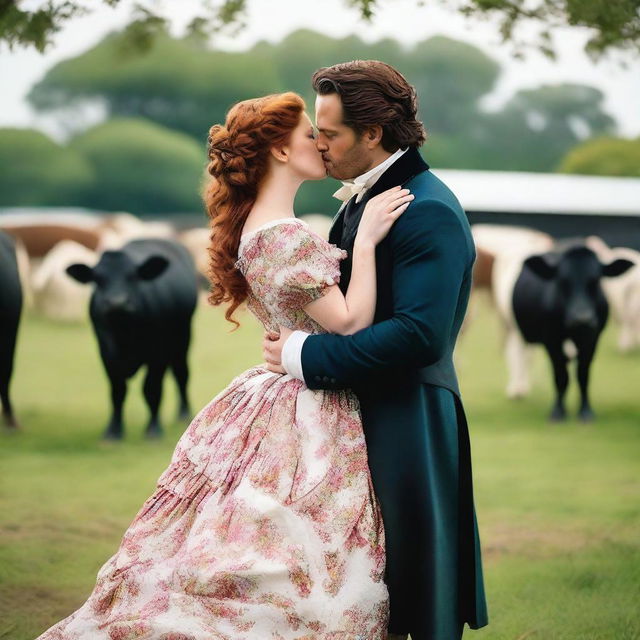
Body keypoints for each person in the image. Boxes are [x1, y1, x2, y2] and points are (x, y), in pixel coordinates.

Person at [35, 91, 415, 639]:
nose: (321, 144)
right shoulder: (284, 234)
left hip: (275, 387)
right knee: (303, 546)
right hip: (306, 397)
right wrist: (371, 242)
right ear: (281, 152)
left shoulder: (258, 226)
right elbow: (351, 323)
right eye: (311, 134)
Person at [263, 61, 489, 640]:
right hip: (359, 417)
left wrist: (304, 356)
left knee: (412, 591)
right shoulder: (364, 201)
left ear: (373, 134)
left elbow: (421, 335)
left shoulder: (428, 209)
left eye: (330, 133)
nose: (318, 142)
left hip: (407, 420)